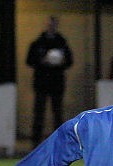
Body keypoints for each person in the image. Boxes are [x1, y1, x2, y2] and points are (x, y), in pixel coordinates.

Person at [26, 16, 73, 145]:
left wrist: (60, 62)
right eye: (49, 24)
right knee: (39, 113)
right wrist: (43, 61)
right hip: (41, 83)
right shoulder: (37, 42)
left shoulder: (62, 42)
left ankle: (59, 142)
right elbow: (29, 60)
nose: (51, 26)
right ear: (45, 25)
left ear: (56, 25)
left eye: (53, 24)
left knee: (57, 113)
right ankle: (35, 143)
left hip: (57, 83)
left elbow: (69, 61)